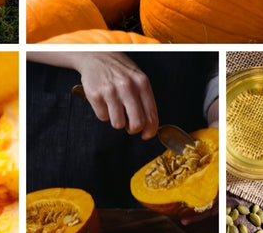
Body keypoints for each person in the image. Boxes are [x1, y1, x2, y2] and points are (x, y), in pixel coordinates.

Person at [26, 51, 218, 209]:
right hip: (61, 123)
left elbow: (229, 58)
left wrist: (222, 114)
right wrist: (84, 52)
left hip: (182, 101)